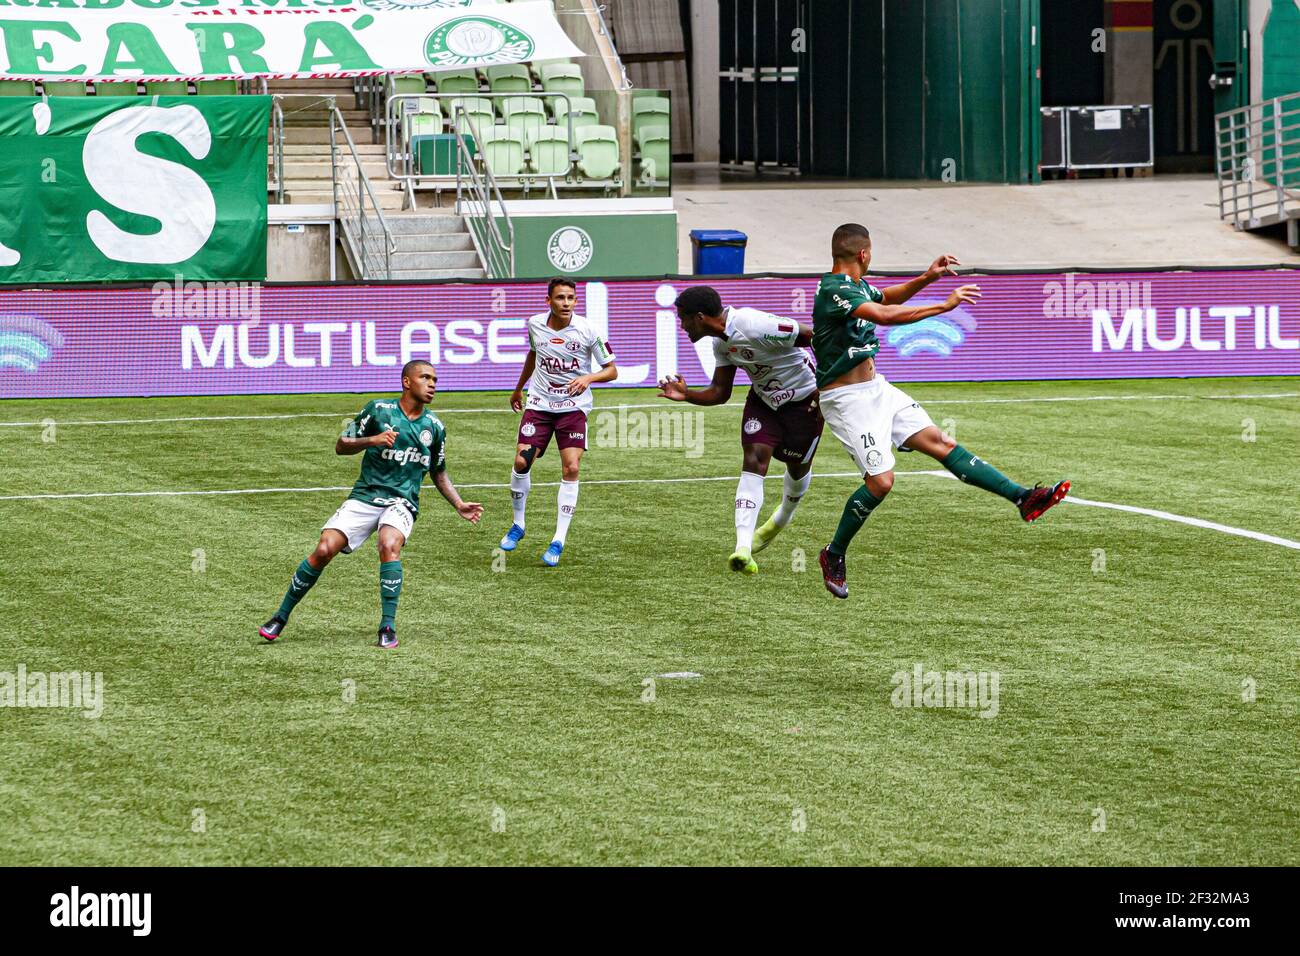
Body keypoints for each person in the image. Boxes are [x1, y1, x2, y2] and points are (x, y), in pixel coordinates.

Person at [812, 223, 1070, 599]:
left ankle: (1023, 498)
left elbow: (884, 299)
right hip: (847, 401)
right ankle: (833, 553)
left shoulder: (855, 285)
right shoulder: (835, 289)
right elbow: (884, 317)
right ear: (864, 254)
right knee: (881, 483)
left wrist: (927, 277)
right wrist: (944, 307)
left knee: (940, 441)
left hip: (876, 389)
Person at [259, 360, 483, 647]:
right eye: (425, 377)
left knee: (389, 544)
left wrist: (459, 504)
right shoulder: (377, 409)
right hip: (365, 497)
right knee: (324, 549)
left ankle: (387, 626)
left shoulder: (435, 427)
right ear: (406, 382)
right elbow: (341, 445)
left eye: (435, 379)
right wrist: (373, 440)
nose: (432, 384)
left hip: (402, 502)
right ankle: (280, 616)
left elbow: (438, 471)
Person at [658, 285, 823, 573]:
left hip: (805, 401)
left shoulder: (752, 323)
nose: (682, 326)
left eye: (683, 318)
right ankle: (743, 548)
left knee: (797, 468)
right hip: (763, 403)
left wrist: (828, 384)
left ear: (699, 317)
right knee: (754, 459)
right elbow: (721, 392)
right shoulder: (720, 343)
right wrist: (688, 395)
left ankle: (780, 519)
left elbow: (814, 337)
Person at [498, 277, 618, 567]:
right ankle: (518, 524)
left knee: (572, 467)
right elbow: (534, 355)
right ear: (548, 300)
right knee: (522, 461)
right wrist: (518, 388)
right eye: (560, 298)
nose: (566, 303)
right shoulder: (535, 324)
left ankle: (558, 540)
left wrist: (589, 377)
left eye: (571, 298)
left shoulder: (588, 330)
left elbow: (612, 370)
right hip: (539, 404)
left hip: (573, 408)